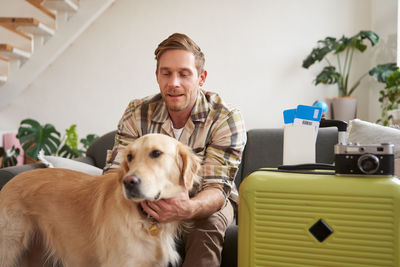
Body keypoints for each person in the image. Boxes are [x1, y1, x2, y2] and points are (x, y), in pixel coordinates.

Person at [104, 33, 246, 266]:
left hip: (204, 199)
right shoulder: (137, 111)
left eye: (184, 74)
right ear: (157, 76)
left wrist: (188, 208)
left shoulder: (225, 117)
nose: (174, 83)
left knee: (206, 227)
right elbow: (114, 172)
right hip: (144, 196)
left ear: (201, 78)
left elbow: (216, 188)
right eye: (166, 73)